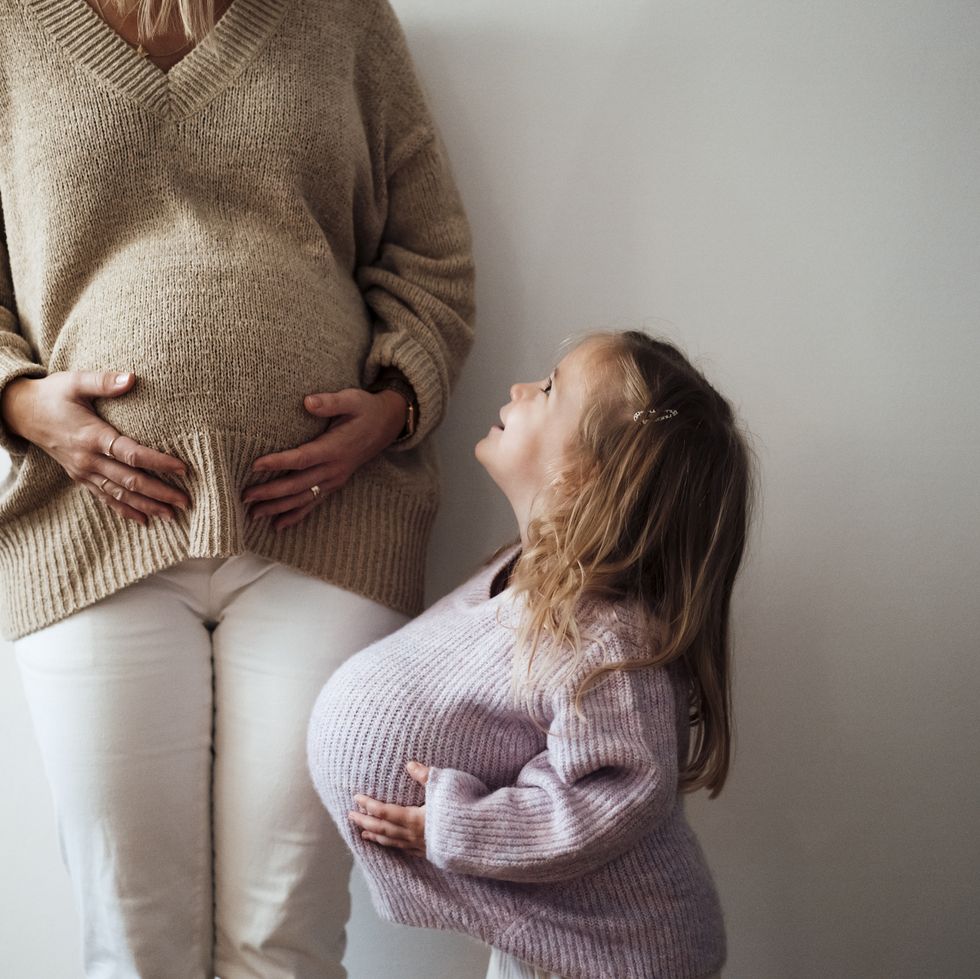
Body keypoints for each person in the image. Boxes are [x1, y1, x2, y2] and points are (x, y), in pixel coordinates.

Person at [0, 0, 474, 976]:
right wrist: (20, 402)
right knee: (133, 943)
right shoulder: (11, 28)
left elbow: (433, 255)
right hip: (90, 530)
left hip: (330, 529)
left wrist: (392, 403)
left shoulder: (342, 15)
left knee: (284, 937)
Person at [308, 330, 753, 979]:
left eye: (548, 388)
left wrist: (457, 825)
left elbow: (609, 796)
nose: (520, 389)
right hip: (549, 941)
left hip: (612, 959)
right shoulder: (527, 574)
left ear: (584, 473)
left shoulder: (606, 638)